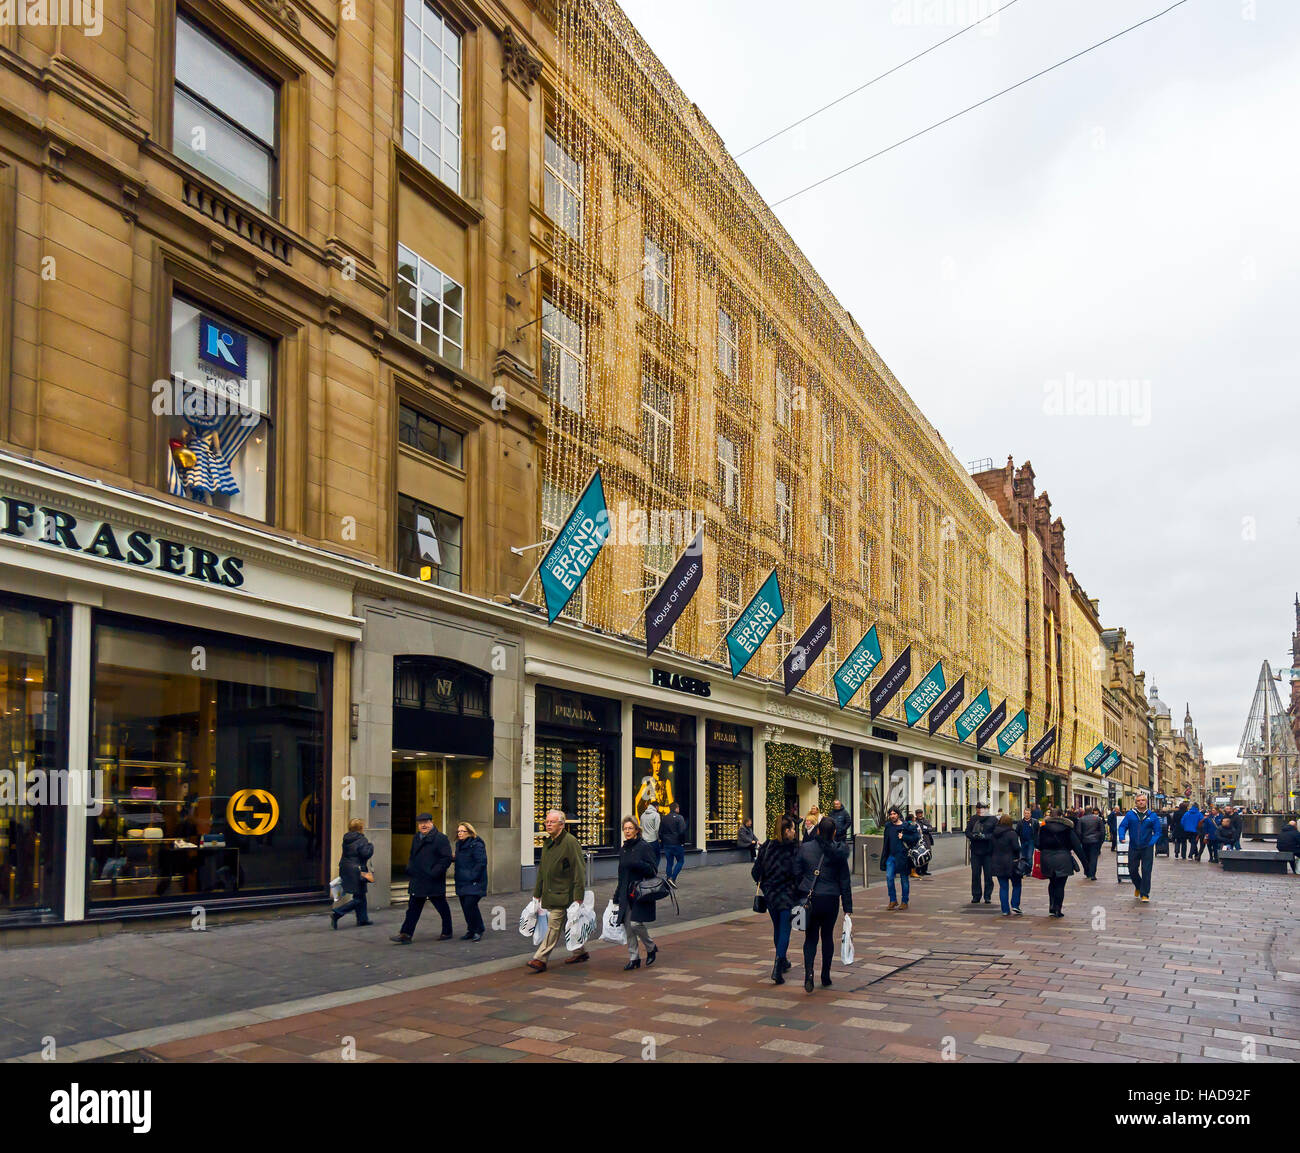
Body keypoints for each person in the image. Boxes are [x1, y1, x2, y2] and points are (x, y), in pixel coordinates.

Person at [795, 815, 852, 993]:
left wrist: (798, 893)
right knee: (827, 936)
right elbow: (845, 881)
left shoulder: (805, 848)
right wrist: (848, 908)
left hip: (809, 899)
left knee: (810, 937)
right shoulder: (839, 852)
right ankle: (825, 975)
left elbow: (796, 873)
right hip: (830, 898)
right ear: (834, 832)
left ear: (818, 830)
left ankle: (808, 973)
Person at [526, 809, 588, 973]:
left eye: (551, 822)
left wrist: (578, 897)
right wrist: (537, 893)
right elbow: (542, 871)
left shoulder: (570, 842)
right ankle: (579, 951)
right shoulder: (548, 843)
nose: (548, 824)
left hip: (564, 894)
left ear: (562, 824)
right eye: (547, 822)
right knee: (571, 925)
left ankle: (540, 958)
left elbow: (579, 870)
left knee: (554, 925)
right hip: (551, 892)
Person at [390, 813, 454, 944]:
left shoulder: (440, 838)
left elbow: (446, 858)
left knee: (442, 907)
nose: (423, 825)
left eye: (426, 822)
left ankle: (447, 931)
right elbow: (412, 855)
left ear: (431, 823)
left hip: (433, 880)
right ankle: (406, 934)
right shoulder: (416, 838)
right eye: (420, 823)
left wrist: (435, 872)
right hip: (418, 879)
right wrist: (410, 868)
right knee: (413, 909)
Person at [752, 815, 801, 983]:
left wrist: (766, 885)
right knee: (785, 929)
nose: (795, 832)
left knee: (777, 928)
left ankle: (783, 960)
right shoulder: (794, 848)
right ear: (787, 831)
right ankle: (777, 968)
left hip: (771, 895)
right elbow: (798, 872)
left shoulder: (767, 846)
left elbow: (755, 872)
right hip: (787, 894)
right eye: (793, 829)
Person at [613, 815, 658, 971]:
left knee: (635, 924)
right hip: (626, 892)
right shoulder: (623, 848)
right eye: (625, 829)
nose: (627, 831)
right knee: (627, 926)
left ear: (637, 830)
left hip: (640, 892)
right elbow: (621, 873)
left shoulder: (644, 846)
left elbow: (653, 870)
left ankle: (651, 947)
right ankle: (634, 958)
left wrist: (638, 864)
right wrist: (617, 893)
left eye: (630, 828)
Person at [1037, 807, 1084, 918]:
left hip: (1047, 858)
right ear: (1061, 816)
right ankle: (1058, 909)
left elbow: (1037, 843)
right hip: (1063, 858)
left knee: (1052, 882)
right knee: (1060, 885)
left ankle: (1052, 906)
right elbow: (1076, 845)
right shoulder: (1067, 828)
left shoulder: (1043, 828)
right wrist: (1085, 863)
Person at [1118, 794, 1162, 902]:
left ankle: (1145, 894)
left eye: (1143, 800)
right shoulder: (1130, 815)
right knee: (1132, 869)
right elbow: (1123, 826)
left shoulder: (1152, 815)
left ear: (1146, 802)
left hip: (1147, 847)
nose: (1141, 802)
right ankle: (1138, 885)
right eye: (1138, 801)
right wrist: (1122, 836)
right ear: (1136, 802)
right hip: (1134, 846)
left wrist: (1152, 842)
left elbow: (1158, 832)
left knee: (1146, 870)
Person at [331, 817, 375, 928]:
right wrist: (371, 846)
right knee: (358, 898)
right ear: (360, 828)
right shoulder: (361, 839)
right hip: (358, 870)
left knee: (361, 894)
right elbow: (365, 854)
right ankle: (338, 912)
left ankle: (363, 919)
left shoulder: (346, 838)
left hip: (347, 869)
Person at [453, 821, 487, 941]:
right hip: (462, 880)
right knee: (465, 906)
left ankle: (478, 929)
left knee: (470, 905)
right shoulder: (459, 845)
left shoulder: (476, 844)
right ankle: (471, 929)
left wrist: (472, 876)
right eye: (458, 831)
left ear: (470, 832)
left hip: (474, 882)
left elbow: (481, 862)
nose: (460, 833)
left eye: (463, 831)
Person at [881, 806, 920, 911]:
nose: (892, 816)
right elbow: (886, 842)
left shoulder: (906, 826)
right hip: (891, 856)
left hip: (903, 857)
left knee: (904, 879)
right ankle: (893, 900)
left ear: (898, 814)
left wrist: (904, 837)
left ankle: (904, 901)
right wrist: (884, 856)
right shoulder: (888, 826)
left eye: (894, 814)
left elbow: (916, 838)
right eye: (891, 814)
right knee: (889, 877)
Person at [990, 813, 1023, 917]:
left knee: (1003, 887)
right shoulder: (1012, 833)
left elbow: (991, 847)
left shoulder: (994, 833)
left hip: (998, 862)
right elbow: (1016, 847)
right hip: (1011, 862)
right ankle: (1015, 905)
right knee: (1016, 884)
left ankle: (1005, 909)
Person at [964, 801, 997, 904]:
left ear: (986, 809)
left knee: (988, 875)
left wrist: (985, 836)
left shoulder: (993, 819)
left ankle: (987, 896)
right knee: (975, 875)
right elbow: (967, 831)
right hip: (975, 850)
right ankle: (976, 895)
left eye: (981, 809)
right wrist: (973, 836)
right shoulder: (973, 818)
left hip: (988, 851)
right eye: (978, 809)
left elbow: (995, 833)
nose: (979, 811)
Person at [660, 802, 688, 883]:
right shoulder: (680, 818)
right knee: (680, 861)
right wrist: (682, 842)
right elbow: (682, 832)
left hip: (667, 844)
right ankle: (672, 878)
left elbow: (660, 832)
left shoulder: (664, 818)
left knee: (669, 862)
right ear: (676, 808)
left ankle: (668, 878)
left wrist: (663, 841)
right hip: (676, 843)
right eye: (678, 808)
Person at [1077, 806, 1104, 881]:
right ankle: (1092, 874)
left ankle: (1087, 872)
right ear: (1092, 810)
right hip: (1095, 841)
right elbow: (1102, 831)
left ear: (1085, 811)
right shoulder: (1098, 819)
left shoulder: (1081, 819)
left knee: (1086, 857)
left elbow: (1078, 832)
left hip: (1085, 841)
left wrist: (1080, 840)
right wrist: (1101, 841)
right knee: (1093, 858)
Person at [913, 809, 935, 877]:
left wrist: (924, 829)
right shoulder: (915, 821)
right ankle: (918, 870)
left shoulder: (926, 821)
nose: (920, 814)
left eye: (921, 813)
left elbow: (930, 828)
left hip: (926, 840)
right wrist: (924, 829)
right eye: (918, 813)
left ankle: (924, 870)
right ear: (916, 814)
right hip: (918, 841)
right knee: (919, 854)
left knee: (927, 854)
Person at [640, 799, 661, 870]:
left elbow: (640, 827)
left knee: (646, 858)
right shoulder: (656, 815)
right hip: (653, 840)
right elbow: (657, 829)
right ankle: (653, 873)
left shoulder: (643, 815)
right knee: (657, 857)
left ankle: (646, 873)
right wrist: (658, 839)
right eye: (658, 807)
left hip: (644, 840)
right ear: (656, 806)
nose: (658, 809)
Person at [1017, 807, 1037, 874]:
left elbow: (1038, 831)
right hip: (1022, 841)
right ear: (1023, 813)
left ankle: (1028, 871)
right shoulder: (1020, 822)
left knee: (1029, 856)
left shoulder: (1034, 822)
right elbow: (1017, 832)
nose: (1026, 814)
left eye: (1028, 813)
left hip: (1031, 841)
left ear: (1030, 814)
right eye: (1025, 813)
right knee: (1023, 856)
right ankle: (1023, 870)